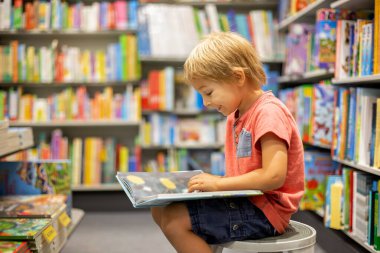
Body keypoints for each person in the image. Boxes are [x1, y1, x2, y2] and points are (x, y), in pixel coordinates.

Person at [151, 32, 305, 253]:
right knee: (160, 209)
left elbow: (273, 176)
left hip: (266, 212)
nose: (205, 103)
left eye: (209, 92)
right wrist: (216, 184)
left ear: (238, 77)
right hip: (247, 200)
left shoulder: (268, 112)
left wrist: (218, 184)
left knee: (175, 221)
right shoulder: (236, 115)